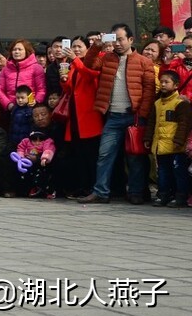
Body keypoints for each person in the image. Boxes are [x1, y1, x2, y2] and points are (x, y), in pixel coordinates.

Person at [78, 24, 156, 205]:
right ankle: (101, 192)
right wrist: (96, 46)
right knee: (105, 155)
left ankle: (136, 192)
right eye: (115, 40)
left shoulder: (144, 62)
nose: (118, 44)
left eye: (121, 39)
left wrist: (142, 115)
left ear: (130, 39)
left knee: (135, 157)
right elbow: (89, 63)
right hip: (113, 116)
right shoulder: (107, 58)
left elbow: (149, 91)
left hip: (134, 116)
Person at [145, 70, 190, 207]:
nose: (163, 84)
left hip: (176, 146)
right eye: (161, 82)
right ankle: (163, 194)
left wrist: (178, 141)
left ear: (176, 85)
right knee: (163, 171)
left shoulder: (181, 103)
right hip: (160, 144)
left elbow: (184, 124)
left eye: (167, 82)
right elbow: (151, 122)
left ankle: (180, 196)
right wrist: (148, 138)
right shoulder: (157, 103)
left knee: (179, 171)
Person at [0, 40, 46, 113]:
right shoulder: (5, 69)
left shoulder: (36, 68)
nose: (16, 52)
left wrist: (36, 102)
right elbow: (0, 89)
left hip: (31, 109)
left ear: (26, 51)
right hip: (11, 110)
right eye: (14, 49)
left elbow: (41, 89)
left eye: (20, 49)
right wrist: (8, 104)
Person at [12, 130, 56, 198]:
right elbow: (20, 149)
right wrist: (20, 158)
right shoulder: (26, 141)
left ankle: (49, 191)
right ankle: (27, 189)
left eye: (40, 140)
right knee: (23, 175)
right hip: (26, 163)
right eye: (34, 140)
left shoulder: (48, 142)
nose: (37, 142)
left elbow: (48, 150)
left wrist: (45, 158)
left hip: (41, 164)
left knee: (43, 176)